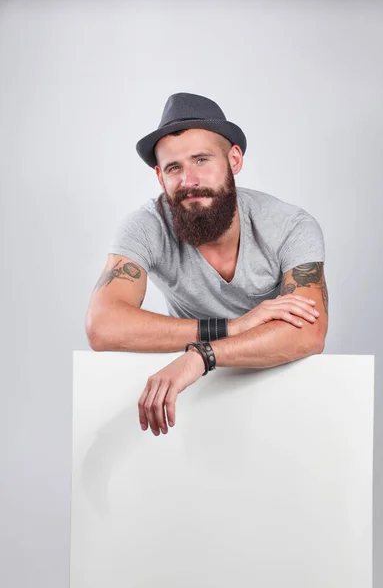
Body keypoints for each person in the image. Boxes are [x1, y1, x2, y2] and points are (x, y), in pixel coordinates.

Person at [85, 92, 329, 437]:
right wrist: (233, 327)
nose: (189, 181)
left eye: (202, 160)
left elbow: (309, 332)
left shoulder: (290, 225)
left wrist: (201, 357)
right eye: (174, 167)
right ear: (159, 176)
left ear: (234, 159)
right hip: (191, 402)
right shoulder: (146, 226)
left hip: (281, 387)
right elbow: (103, 325)